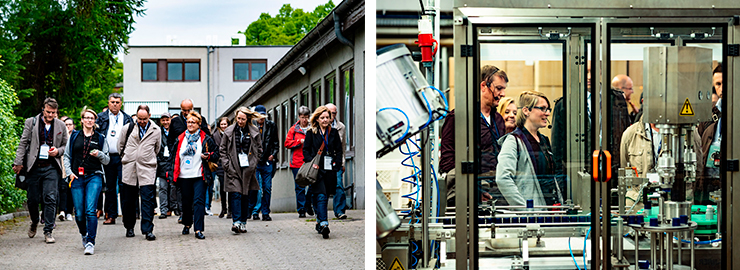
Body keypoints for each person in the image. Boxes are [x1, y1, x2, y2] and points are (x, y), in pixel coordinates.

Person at [439, 65, 507, 206]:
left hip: (496, 192)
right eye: (499, 88)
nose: (503, 94)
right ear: (483, 86)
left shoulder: (499, 120)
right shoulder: (458, 116)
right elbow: (447, 160)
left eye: (504, 89)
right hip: (467, 198)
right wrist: (475, 190)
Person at [13, 97, 68, 243]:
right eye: (48, 112)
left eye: (53, 113)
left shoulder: (61, 126)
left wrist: (58, 151)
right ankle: (34, 221)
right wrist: (18, 163)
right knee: (32, 200)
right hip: (34, 167)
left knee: (51, 198)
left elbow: (65, 146)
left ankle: (48, 231)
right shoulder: (31, 122)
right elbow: (22, 143)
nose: (50, 115)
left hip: (51, 167)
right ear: (43, 109)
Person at [496, 91, 557, 207]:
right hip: (529, 217)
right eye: (543, 109)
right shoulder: (513, 141)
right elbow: (503, 179)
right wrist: (525, 209)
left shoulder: (544, 140)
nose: (547, 113)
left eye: (548, 109)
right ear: (526, 111)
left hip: (547, 210)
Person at [63, 109, 110, 255]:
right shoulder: (74, 136)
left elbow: (107, 160)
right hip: (77, 177)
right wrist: (70, 173)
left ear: (95, 121)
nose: (89, 120)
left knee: (90, 210)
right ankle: (84, 233)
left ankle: (90, 242)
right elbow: (66, 156)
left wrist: (99, 154)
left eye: (92, 118)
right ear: (82, 120)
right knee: (79, 213)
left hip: (94, 176)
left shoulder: (100, 138)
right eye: (87, 118)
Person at [172, 111, 219, 239]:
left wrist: (208, 155)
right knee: (186, 203)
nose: (190, 124)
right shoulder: (180, 138)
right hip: (184, 175)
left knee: (199, 202)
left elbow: (216, 154)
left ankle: (198, 229)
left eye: (193, 122)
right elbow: (173, 156)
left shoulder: (206, 138)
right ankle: (187, 224)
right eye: (188, 122)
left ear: (199, 124)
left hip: (199, 175)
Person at [118, 105, 161, 241]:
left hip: (147, 168)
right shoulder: (128, 128)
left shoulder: (156, 130)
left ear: (149, 116)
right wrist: (128, 158)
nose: (141, 121)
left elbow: (157, 148)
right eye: (139, 118)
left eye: (144, 119)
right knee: (128, 200)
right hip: (129, 168)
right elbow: (120, 146)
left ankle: (148, 230)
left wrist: (146, 157)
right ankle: (129, 227)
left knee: (147, 200)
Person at [220, 107, 263, 234]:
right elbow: (222, 150)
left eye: (243, 119)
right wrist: (227, 165)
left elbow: (259, 150)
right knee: (235, 194)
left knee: (245, 195)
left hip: (247, 168)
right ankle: (236, 221)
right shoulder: (229, 131)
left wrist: (254, 163)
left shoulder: (254, 131)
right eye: (238, 118)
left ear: (247, 119)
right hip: (233, 167)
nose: (240, 121)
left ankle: (243, 222)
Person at [303, 106, 343, 239]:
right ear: (317, 119)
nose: (325, 120)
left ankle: (319, 221)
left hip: (329, 168)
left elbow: (339, 150)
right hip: (316, 169)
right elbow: (306, 151)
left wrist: (337, 164)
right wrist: (312, 162)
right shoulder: (311, 132)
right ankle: (325, 223)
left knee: (324, 195)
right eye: (323, 118)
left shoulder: (334, 132)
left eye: (327, 117)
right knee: (320, 195)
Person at [95, 93, 133, 224]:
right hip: (107, 157)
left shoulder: (127, 119)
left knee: (124, 186)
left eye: (117, 102)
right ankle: (111, 215)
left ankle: (126, 216)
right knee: (110, 187)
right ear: (108, 103)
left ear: (121, 103)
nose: (115, 104)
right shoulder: (101, 118)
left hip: (123, 157)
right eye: (112, 102)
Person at [620, 112, 662, 210]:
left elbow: (697, 170)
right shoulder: (630, 134)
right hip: (638, 204)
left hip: (671, 203)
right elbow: (624, 168)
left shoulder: (684, 133)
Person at [696, 64, 723, 205]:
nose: (722, 88)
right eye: (718, 84)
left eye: (725, 83)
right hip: (708, 181)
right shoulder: (708, 113)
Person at [251, 105, 278, 221]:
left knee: (267, 187)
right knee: (257, 188)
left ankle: (266, 212)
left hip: (267, 161)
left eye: (263, 115)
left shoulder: (271, 126)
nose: (261, 118)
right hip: (255, 162)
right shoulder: (251, 126)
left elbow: (276, 143)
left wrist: (273, 155)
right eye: (259, 115)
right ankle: (255, 211)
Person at [285, 106, 313, 218]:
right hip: (297, 162)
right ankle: (301, 209)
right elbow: (287, 143)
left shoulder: (313, 128)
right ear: (299, 117)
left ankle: (307, 203)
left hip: (310, 161)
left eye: (306, 117)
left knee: (312, 184)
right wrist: (298, 141)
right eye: (302, 117)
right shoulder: (294, 129)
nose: (304, 120)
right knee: (300, 186)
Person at [324, 103, 348, 219]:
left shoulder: (341, 127)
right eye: (329, 113)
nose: (331, 115)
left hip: (335, 160)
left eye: (333, 113)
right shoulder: (319, 125)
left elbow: (342, 147)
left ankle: (339, 211)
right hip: (322, 160)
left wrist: (342, 163)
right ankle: (320, 211)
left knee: (338, 184)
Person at [157, 113, 175, 219]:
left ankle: (172, 208)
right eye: (163, 120)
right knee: (163, 188)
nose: (165, 122)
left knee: (173, 187)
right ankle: (163, 210)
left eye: (167, 120)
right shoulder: (158, 132)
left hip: (172, 163)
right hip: (162, 163)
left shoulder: (174, 131)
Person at [58, 116, 76, 222]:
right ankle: (62, 211)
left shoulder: (75, 136)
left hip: (73, 166)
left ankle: (69, 212)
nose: (67, 126)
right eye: (66, 124)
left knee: (71, 189)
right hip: (62, 165)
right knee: (63, 188)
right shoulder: (60, 136)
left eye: (70, 124)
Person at [213, 117, 231, 218]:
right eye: (222, 124)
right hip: (220, 163)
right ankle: (223, 208)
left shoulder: (232, 133)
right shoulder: (215, 135)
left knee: (231, 187)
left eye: (225, 124)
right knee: (223, 187)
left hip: (231, 163)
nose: (223, 126)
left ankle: (231, 210)